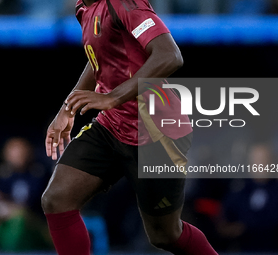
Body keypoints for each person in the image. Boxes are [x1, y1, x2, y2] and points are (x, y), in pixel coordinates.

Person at [41, 0, 218, 254]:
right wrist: (66, 109)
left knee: (165, 235)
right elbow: (98, 59)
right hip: (111, 126)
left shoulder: (122, 2)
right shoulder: (82, 7)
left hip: (157, 133)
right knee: (57, 198)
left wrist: (113, 97)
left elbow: (170, 55)